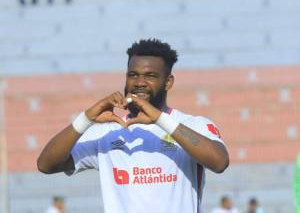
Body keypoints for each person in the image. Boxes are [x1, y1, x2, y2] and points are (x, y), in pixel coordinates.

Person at [37, 39, 229, 213]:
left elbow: (219, 162)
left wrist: (159, 119)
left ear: (168, 82)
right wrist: (86, 118)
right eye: (133, 75)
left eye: (151, 76)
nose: (139, 83)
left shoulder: (192, 125)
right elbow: (46, 164)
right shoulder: (107, 132)